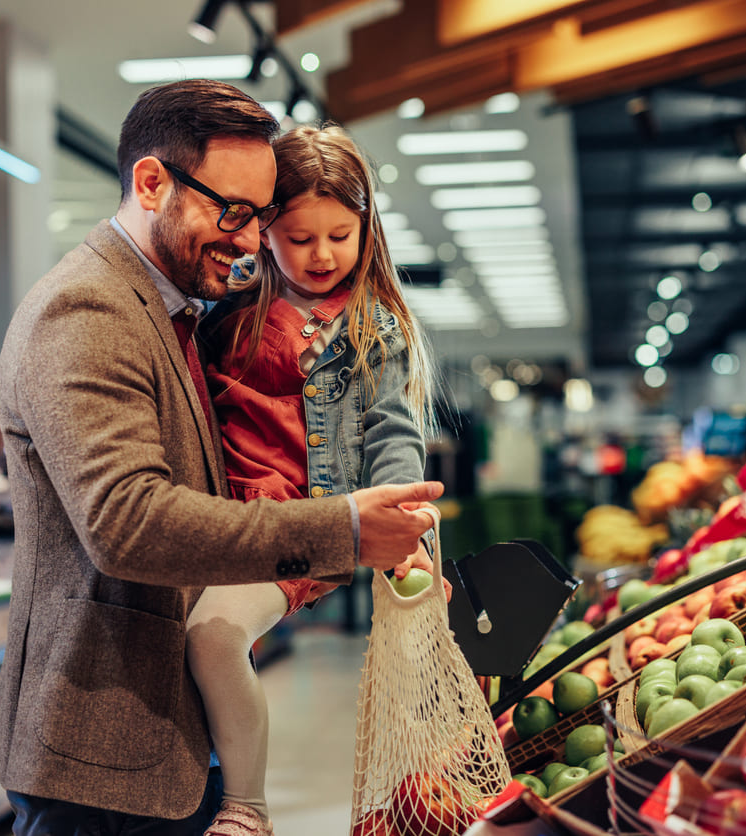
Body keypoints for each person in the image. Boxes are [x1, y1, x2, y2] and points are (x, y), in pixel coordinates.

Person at [0, 80, 443, 836]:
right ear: (150, 182)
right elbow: (125, 524)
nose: (245, 239)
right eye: (234, 212)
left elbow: (384, 436)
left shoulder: (181, 309)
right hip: (102, 757)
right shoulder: (88, 310)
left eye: (257, 217)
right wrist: (342, 531)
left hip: (161, 746)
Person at [186, 124, 440, 836]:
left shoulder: (373, 327)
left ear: (366, 229)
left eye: (339, 235)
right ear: (264, 230)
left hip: (304, 528)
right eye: (299, 238)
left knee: (211, 637)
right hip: (220, 521)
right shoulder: (224, 307)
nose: (321, 255)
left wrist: (407, 534)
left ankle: (245, 808)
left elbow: (393, 434)